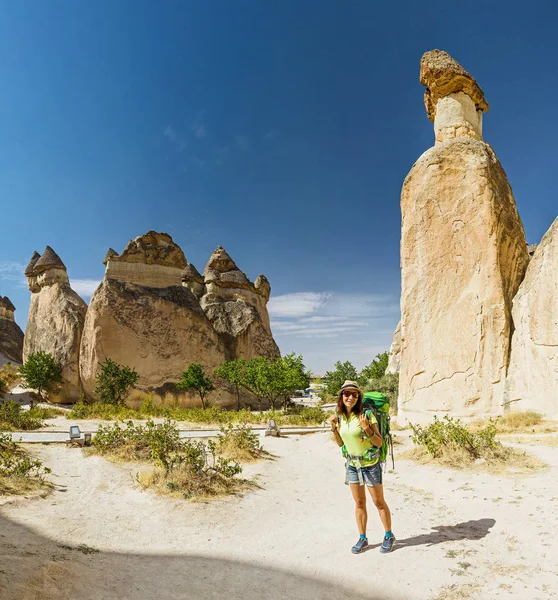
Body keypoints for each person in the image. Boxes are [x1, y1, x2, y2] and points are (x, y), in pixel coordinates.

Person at [330, 380, 395, 554]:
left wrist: (367, 428)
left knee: (378, 502)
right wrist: (334, 429)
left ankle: (388, 535)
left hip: (370, 465)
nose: (350, 397)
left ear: (358, 397)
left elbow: (379, 442)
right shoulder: (340, 417)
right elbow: (340, 443)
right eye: (346, 393)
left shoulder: (366, 415)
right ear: (341, 396)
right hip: (352, 465)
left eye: (354, 394)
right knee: (359, 503)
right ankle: (362, 538)